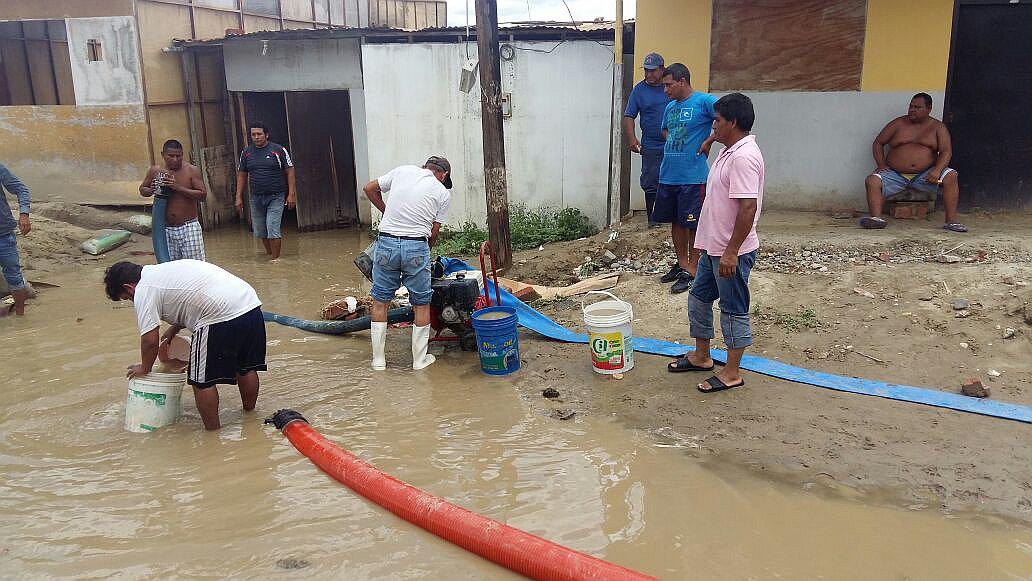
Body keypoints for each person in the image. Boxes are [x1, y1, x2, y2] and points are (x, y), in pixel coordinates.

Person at [668, 93, 763, 394]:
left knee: (733, 309)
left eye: (718, 121)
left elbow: (748, 208)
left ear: (733, 123)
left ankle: (732, 372)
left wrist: (732, 251)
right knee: (698, 298)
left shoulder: (745, 157)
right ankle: (701, 356)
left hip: (730, 252)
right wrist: (700, 248)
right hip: (713, 247)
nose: (713, 125)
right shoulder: (728, 151)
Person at [104, 260, 267, 430]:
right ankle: (250, 419)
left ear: (129, 288)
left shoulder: (143, 290)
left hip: (218, 316)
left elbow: (150, 340)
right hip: (250, 305)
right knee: (245, 367)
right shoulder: (161, 272)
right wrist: (174, 328)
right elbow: (191, 296)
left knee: (200, 382)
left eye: (127, 298)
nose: (132, 300)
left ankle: (213, 436)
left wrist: (145, 368)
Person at [362, 156, 452, 371]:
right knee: (421, 304)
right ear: (444, 175)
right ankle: (419, 361)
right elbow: (434, 232)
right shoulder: (443, 193)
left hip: (386, 243)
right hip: (416, 246)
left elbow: (368, 188)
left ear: (425, 167)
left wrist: (386, 211)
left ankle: (378, 361)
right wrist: (423, 253)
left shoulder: (402, 171)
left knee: (380, 302)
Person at [654, 63, 719, 294]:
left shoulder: (704, 101)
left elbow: (726, 116)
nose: (665, 90)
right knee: (676, 221)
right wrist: (676, 140)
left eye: (669, 85)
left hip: (692, 176)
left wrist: (708, 140)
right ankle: (681, 264)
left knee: (693, 224)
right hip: (669, 174)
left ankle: (693, 269)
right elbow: (665, 130)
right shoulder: (670, 107)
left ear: (682, 81)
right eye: (664, 86)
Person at [861, 93, 966, 233]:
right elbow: (878, 143)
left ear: (929, 108)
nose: (912, 110)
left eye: (917, 107)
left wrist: (936, 171)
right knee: (872, 181)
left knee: (951, 175)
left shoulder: (937, 127)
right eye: (911, 106)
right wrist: (881, 164)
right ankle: (876, 218)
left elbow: (946, 151)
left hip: (926, 175)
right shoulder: (898, 124)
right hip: (895, 174)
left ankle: (951, 221)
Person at [139, 139, 208, 261]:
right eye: (171, 156)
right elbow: (142, 189)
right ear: (163, 155)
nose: (175, 159)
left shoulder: (191, 170)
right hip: (165, 229)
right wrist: (151, 190)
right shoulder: (155, 171)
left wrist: (177, 188)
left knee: (194, 267)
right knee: (170, 268)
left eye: (179, 156)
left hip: (188, 227)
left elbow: (202, 195)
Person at [235, 122, 296, 260]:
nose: (256, 137)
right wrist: (238, 196)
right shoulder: (246, 152)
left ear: (266, 135)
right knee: (261, 231)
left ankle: (276, 261)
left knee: (272, 228)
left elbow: (290, 171)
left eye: (259, 134)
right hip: (256, 197)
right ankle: (270, 255)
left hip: (276, 196)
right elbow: (242, 174)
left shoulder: (278, 150)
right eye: (253, 135)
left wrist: (291, 194)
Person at [623, 52, 670, 226]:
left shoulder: (669, 86)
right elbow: (629, 115)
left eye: (653, 71)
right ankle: (653, 218)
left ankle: (671, 217)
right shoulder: (639, 90)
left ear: (662, 69)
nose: (649, 75)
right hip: (650, 144)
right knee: (650, 181)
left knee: (672, 178)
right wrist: (632, 138)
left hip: (673, 143)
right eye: (646, 71)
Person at [0, 162, 30, 316]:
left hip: (3, 234)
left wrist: (24, 214)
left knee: (14, 277)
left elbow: (21, 189)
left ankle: (21, 318)